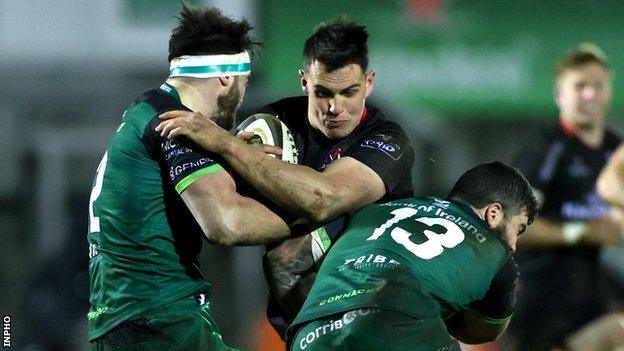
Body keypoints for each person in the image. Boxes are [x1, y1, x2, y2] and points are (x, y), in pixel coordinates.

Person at [156, 17, 415, 336]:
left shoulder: (388, 141)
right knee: (284, 261)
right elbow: (227, 215)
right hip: (302, 314)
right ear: (305, 81)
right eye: (323, 92)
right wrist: (237, 158)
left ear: (369, 82)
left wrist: (224, 143)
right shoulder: (271, 124)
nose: (335, 107)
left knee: (290, 256)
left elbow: (324, 199)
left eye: (349, 92)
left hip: (379, 300)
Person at [87, 5, 299, 350]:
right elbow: (226, 223)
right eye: (245, 83)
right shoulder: (175, 124)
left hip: (123, 320)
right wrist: (317, 219)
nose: (242, 96)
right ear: (227, 77)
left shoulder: (147, 115)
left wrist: (230, 158)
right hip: (160, 318)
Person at [285, 161, 537, 350]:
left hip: (309, 334)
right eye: (519, 229)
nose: (514, 245)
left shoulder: (371, 212)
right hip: (396, 328)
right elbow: (480, 333)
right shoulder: (498, 257)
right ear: (494, 213)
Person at [503, 43, 624, 351]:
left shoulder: (615, 149)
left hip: (591, 297)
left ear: (609, 92)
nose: (590, 95)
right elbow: (510, 224)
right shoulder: (545, 153)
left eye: (597, 86)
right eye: (580, 86)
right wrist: (581, 231)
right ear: (560, 94)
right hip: (539, 299)